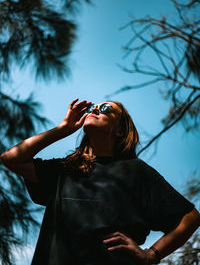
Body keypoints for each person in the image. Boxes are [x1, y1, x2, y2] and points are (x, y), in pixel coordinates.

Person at [1, 98, 200, 265]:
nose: (95, 108)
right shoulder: (65, 169)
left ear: (120, 131)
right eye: (93, 107)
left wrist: (151, 255)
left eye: (105, 109)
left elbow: (190, 217)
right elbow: (11, 158)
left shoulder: (137, 171)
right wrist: (62, 129)